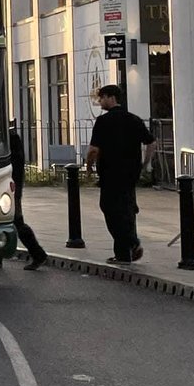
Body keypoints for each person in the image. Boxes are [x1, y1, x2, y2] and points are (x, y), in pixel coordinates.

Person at [85, 84, 156, 265]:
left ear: (111, 98)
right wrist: (145, 164)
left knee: (109, 209)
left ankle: (131, 244)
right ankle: (124, 253)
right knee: (127, 209)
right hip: (130, 173)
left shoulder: (103, 121)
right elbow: (151, 143)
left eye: (102, 98)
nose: (100, 102)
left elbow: (93, 150)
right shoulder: (134, 119)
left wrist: (89, 167)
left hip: (110, 173)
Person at [9, 121, 48, 270]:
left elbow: (16, 168)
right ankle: (38, 254)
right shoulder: (11, 138)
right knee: (16, 221)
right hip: (12, 187)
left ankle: (38, 254)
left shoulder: (8, 139)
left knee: (17, 221)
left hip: (10, 187)